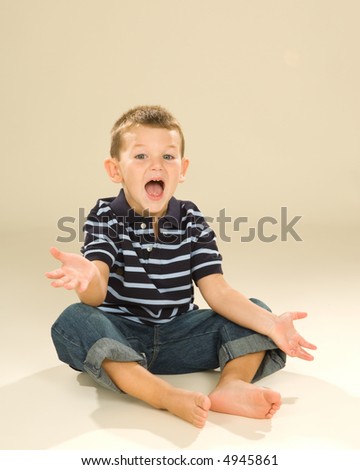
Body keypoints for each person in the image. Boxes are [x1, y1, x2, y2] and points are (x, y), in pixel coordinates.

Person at [46, 105, 316, 428]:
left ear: (182, 169)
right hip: (123, 338)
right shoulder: (105, 216)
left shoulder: (190, 219)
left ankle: (231, 385)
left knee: (255, 310)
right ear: (115, 169)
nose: (156, 165)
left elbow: (218, 292)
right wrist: (89, 277)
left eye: (168, 157)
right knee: (75, 320)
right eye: (141, 156)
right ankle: (163, 395)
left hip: (180, 337)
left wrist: (272, 324)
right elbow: (96, 289)